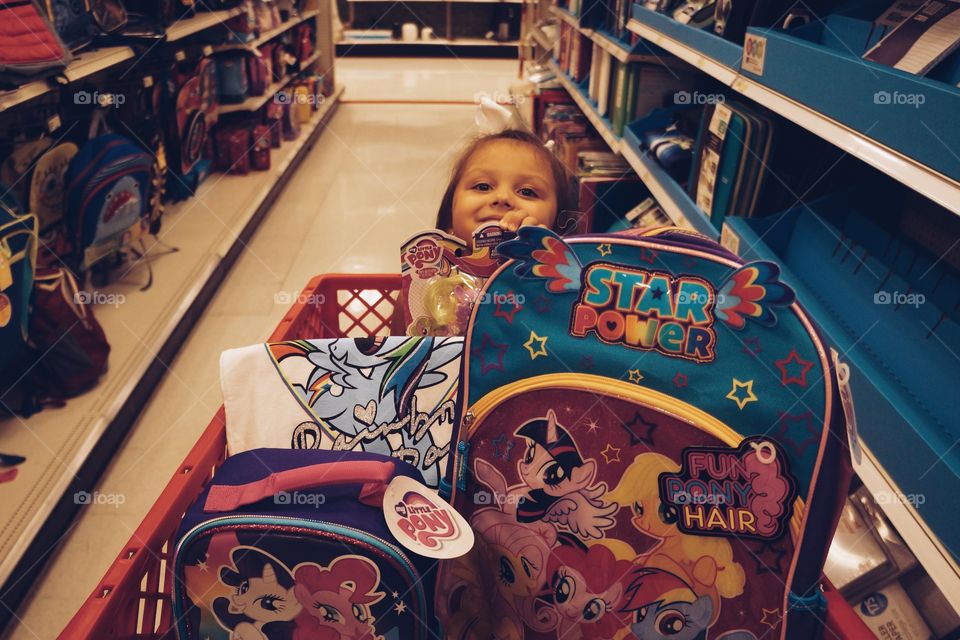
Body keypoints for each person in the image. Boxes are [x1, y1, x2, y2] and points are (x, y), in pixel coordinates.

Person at [435, 129, 575, 244]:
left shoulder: (563, 276)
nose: (502, 197)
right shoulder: (427, 269)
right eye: (483, 187)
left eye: (527, 192)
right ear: (449, 218)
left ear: (559, 225)